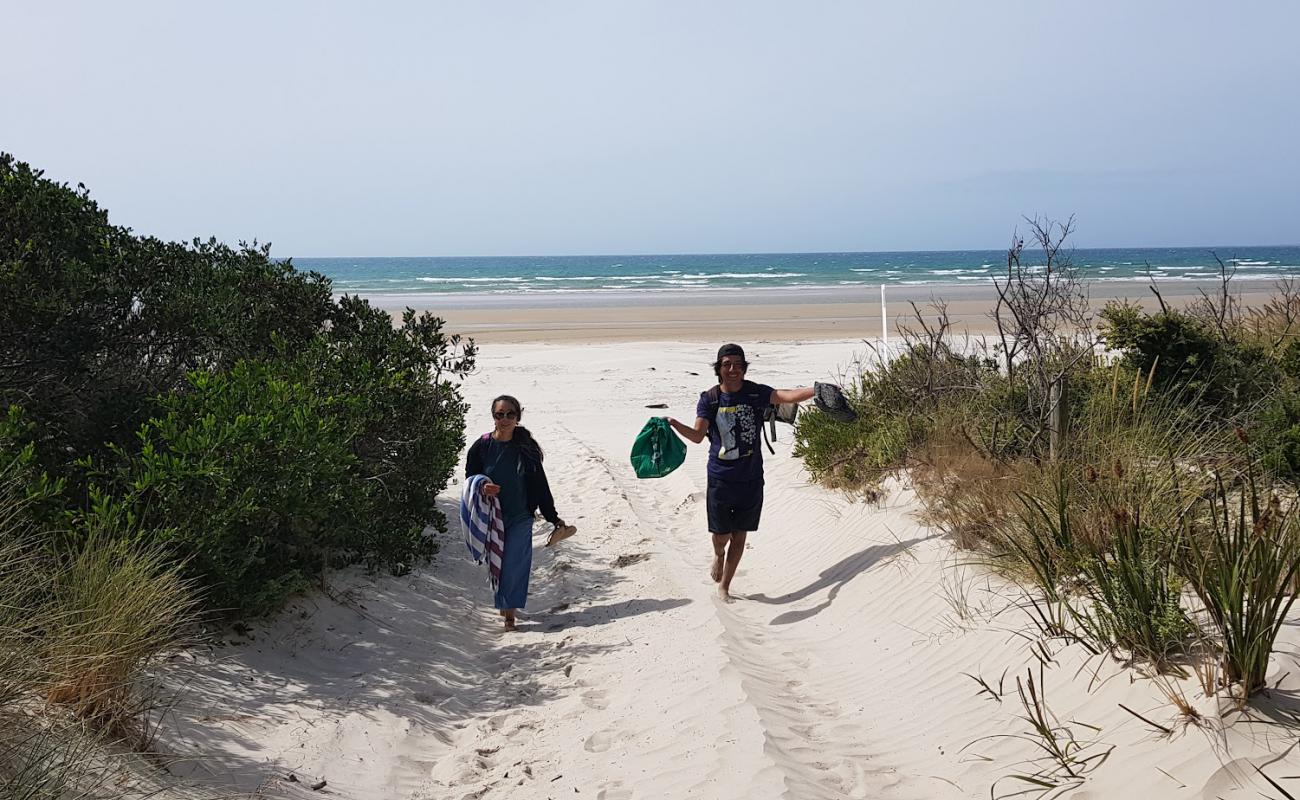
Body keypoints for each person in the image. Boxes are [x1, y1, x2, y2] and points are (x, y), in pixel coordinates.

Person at [666, 344, 814, 602]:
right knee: (721, 535)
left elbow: (788, 396)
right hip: (720, 478)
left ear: (744, 368)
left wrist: (817, 389)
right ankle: (718, 554)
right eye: (727, 364)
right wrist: (674, 424)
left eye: (738, 364)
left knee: (740, 533)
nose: (733, 369)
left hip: (751, 477)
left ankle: (725, 586)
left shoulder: (756, 393)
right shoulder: (710, 399)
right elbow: (699, 436)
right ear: (719, 369)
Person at [465, 395, 575, 630]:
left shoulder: (526, 448)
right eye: (499, 414)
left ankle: (509, 613)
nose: (504, 419)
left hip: (521, 514)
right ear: (493, 416)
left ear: (518, 417)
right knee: (499, 561)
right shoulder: (482, 446)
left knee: (515, 563)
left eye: (509, 414)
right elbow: (470, 478)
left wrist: (552, 516)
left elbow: (540, 484)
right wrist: (483, 487)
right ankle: (505, 602)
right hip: (492, 516)